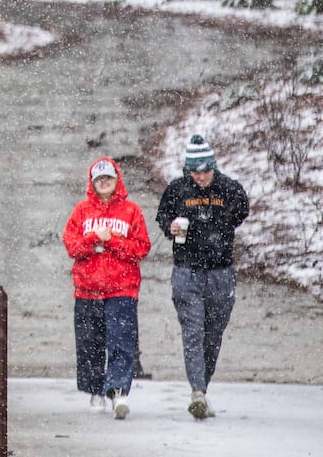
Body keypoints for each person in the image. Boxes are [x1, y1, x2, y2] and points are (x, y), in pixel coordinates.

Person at [156, 133, 249, 420]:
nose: (200, 177)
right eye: (195, 171)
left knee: (213, 335)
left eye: (205, 170)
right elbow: (162, 218)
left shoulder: (230, 189)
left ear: (213, 167)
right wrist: (170, 226)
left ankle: (202, 388)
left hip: (221, 272)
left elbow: (242, 212)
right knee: (193, 332)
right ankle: (197, 391)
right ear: (188, 169)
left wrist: (218, 233)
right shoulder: (177, 189)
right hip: (187, 271)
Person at [62, 156, 151, 419]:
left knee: (121, 341)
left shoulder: (131, 211)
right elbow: (72, 246)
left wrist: (112, 241)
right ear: (92, 182)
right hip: (87, 289)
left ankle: (118, 391)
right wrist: (92, 239)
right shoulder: (81, 210)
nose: (104, 183)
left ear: (116, 180)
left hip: (122, 288)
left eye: (108, 178)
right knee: (90, 343)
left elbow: (142, 248)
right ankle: (96, 391)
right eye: (99, 179)